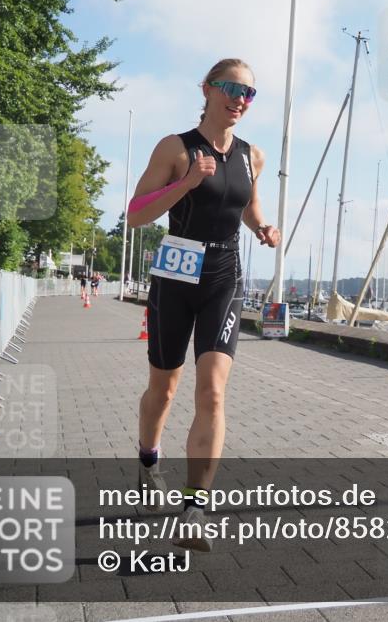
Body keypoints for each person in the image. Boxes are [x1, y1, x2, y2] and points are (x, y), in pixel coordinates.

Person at [126, 58, 280, 551]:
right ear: (208, 89)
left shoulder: (251, 155)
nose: (241, 99)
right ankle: (149, 458)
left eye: (249, 93)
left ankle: (195, 507)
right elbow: (134, 214)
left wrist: (262, 228)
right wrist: (187, 183)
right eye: (233, 88)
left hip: (223, 276)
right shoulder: (175, 147)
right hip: (176, 273)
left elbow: (248, 204)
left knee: (212, 392)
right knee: (164, 390)